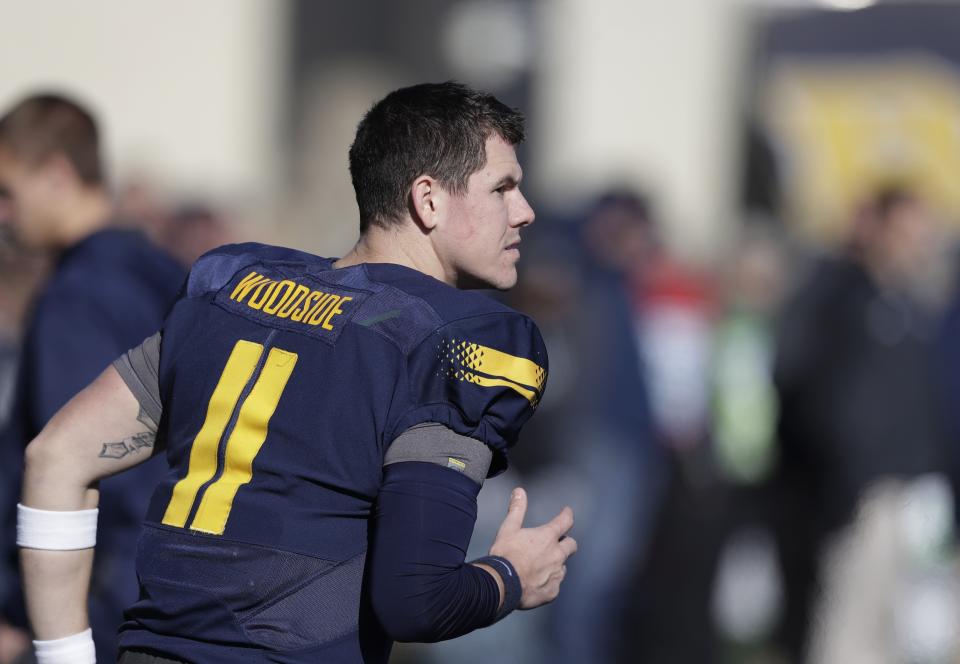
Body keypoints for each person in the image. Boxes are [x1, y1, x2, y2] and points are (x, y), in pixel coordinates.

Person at [16, 82, 576, 664]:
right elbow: (416, 601)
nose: (524, 210)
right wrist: (510, 576)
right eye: (503, 187)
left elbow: (56, 456)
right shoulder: (453, 340)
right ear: (428, 200)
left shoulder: (233, 288)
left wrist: (64, 655)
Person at [0, 93, 186, 663]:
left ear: (57, 174)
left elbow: (84, 475)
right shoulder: (165, 271)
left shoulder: (78, 298)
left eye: (7, 192)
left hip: (90, 616)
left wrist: (28, 617)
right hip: (160, 596)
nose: (3, 213)